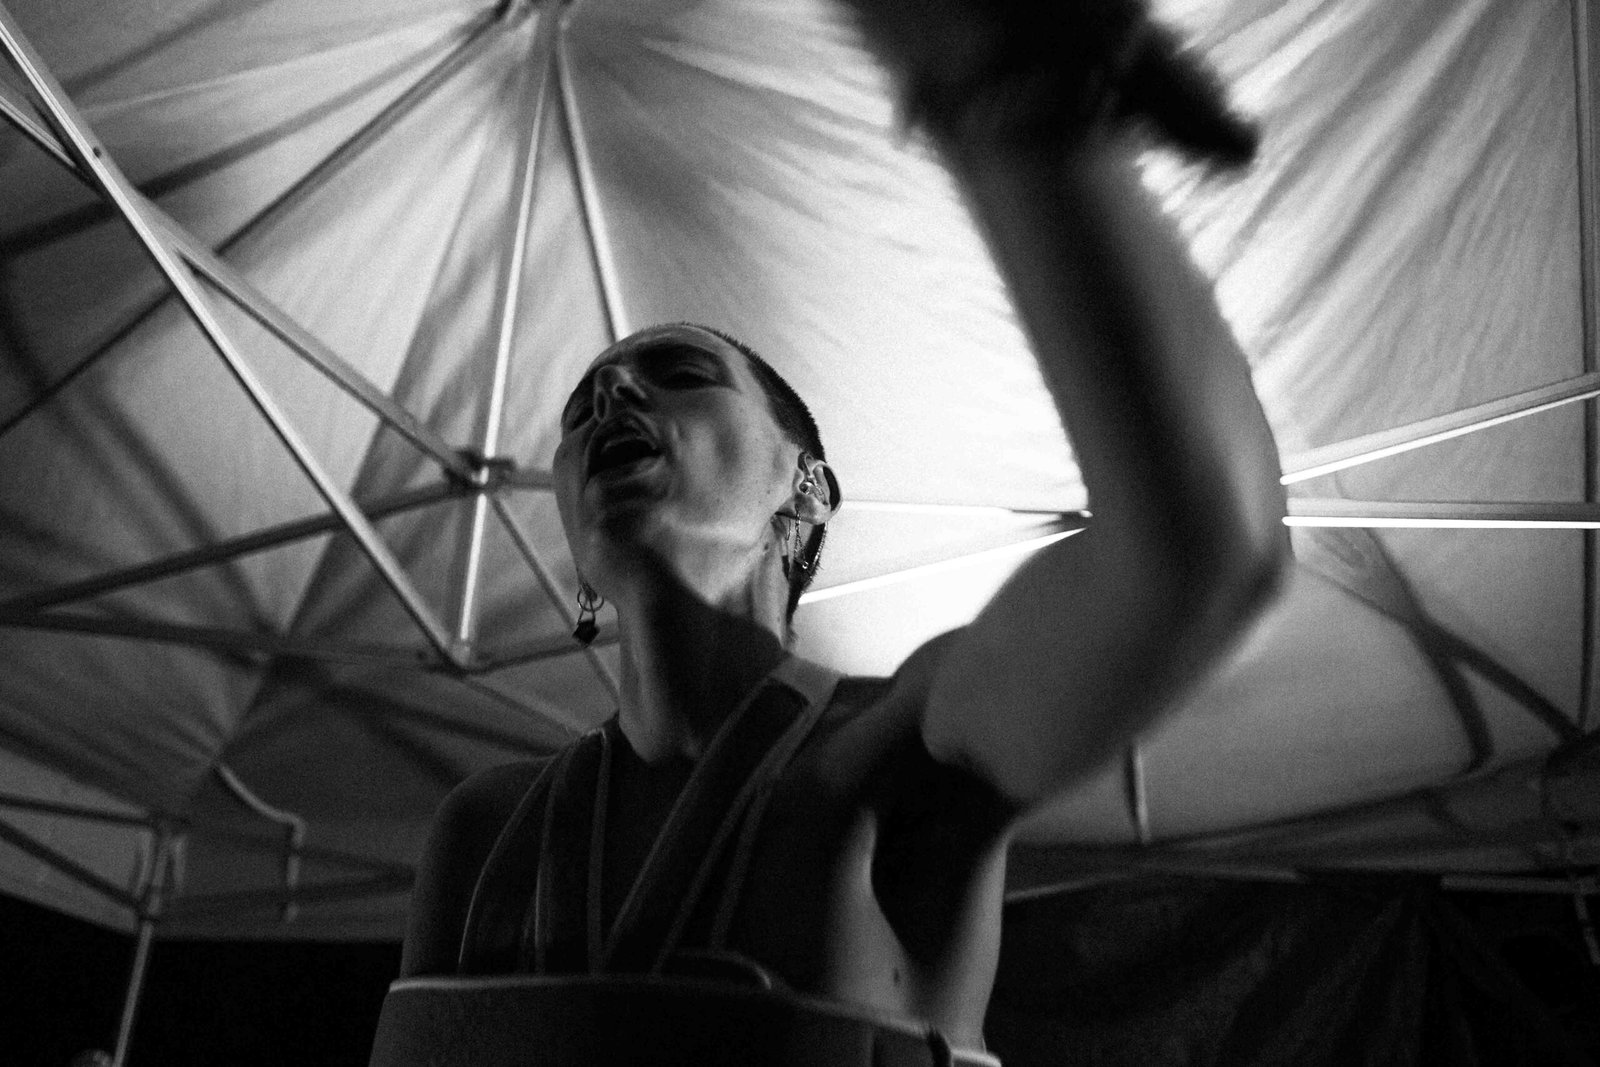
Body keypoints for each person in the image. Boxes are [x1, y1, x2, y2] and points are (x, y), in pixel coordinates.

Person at [378, 1, 1289, 1063]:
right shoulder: (486, 829)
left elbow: (1193, 557)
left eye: (679, 374)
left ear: (806, 492)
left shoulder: (897, 747)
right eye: (583, 406)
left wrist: (1009, 98)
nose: (611, 397)